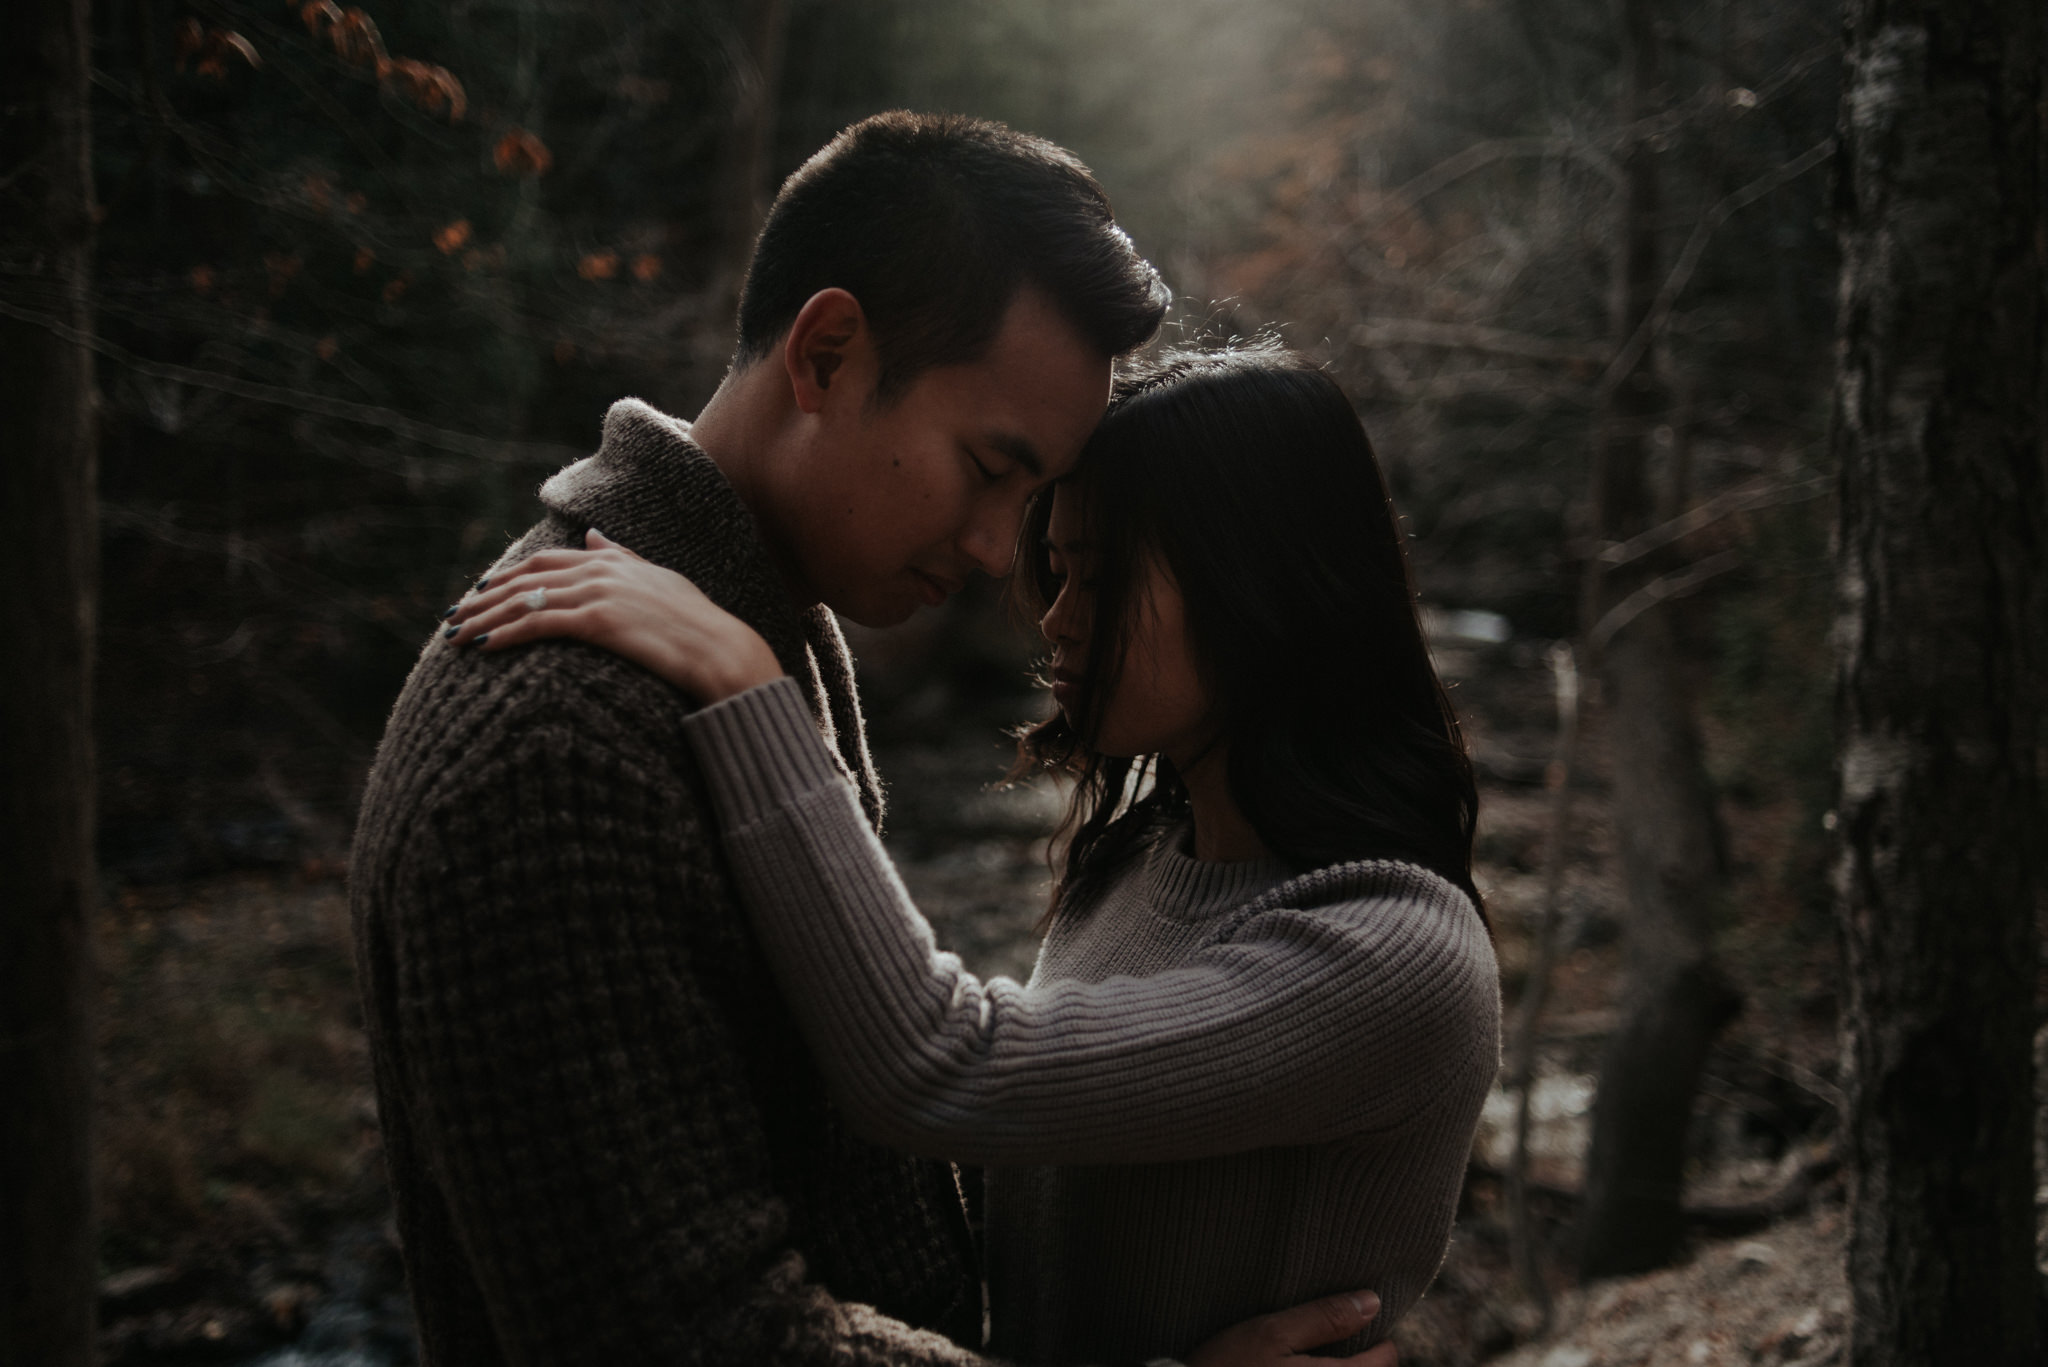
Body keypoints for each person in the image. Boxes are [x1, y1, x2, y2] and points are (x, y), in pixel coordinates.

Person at [352, 111, 1395, 1367]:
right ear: (829, 352)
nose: (990, 550)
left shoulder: (766, 623)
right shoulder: (561, 742)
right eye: (987, 467)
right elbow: (696, 1338)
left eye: (1032, 497)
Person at [444, 347, 1503, 1362]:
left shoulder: (1392, 955)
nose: (1054, 618)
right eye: (1056, 571)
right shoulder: (1141, 856)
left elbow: (944, 1065)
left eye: (1097, 576)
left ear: (1261, 583)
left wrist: (747, 685)